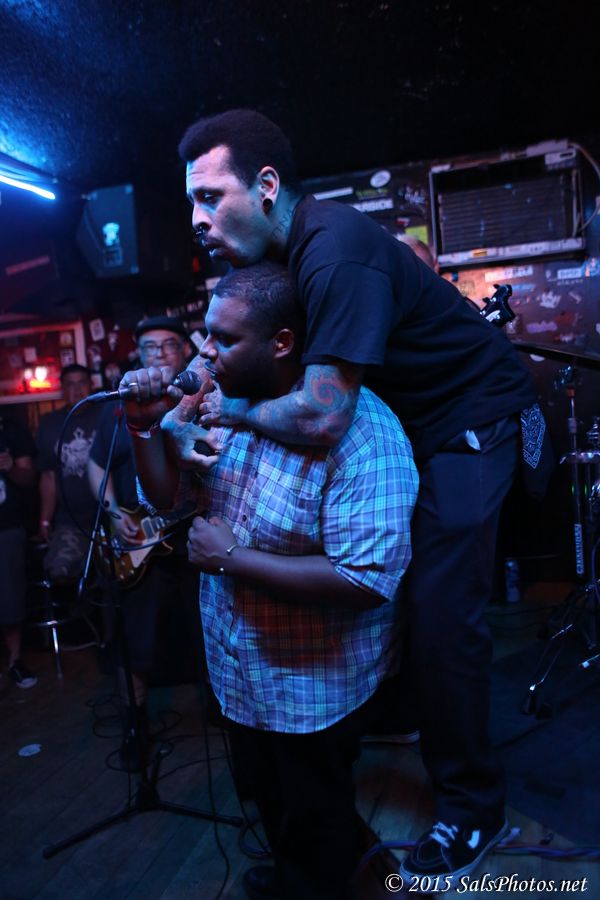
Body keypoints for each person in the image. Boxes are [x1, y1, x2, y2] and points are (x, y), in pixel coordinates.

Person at [161, 108, 538, 885]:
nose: (196, 218)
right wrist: (187, 388)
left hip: (471, 418)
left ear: (267, 186)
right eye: (190, 200)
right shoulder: (283, 256)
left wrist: (226, 410)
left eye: (209, 196)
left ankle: (473, 806)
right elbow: (238, 335)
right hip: (415, 421)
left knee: (440, 611)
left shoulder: (333, 250)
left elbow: (323, 416)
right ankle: (402, 720)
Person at [120, 262, 418, 900]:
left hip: (313, 687)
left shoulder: (364, 436)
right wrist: (145, 427)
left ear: (282, 343)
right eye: (206, 333)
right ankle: (292, 874)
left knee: (317, 814)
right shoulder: (215, 402)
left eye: (225, 339)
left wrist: (233, 558)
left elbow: (367, 579)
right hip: (237, 670)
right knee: (266, 799)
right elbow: (165, 498)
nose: (205, 351)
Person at [87, 315, 201, 770]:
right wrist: (115, 515)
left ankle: (223, 715)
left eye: (168, 345)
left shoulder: (200, 399)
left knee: (206, 629)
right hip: (137, 542)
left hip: (189, 538)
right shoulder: (117, 406)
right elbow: (96, 465)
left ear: (185, 351)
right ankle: (134, 726)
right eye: (149, 347)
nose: (158, 354)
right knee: (134, 639)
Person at [36, 364, 99, 581]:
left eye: (82, 383)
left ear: (92, 385)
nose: (77, 389)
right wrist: (45, 519)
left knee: (116, 580)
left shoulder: (107, 415)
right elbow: (48, 477)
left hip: (110, 517)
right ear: (62, 389)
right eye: (70, 384)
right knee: (61, 572)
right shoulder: (49, 424)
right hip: (70, 520)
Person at [0, 413, 37, 688]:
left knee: (10, 598)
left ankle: (14, 662)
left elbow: (29, 478)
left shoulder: (12, 428)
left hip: (7, 527)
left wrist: (10, 466)